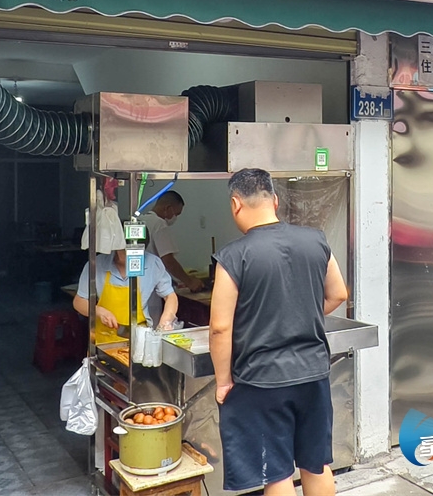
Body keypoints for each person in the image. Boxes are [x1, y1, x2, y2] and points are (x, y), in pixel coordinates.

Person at [209, 168, 348, 496]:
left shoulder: (233, 256)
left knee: (277, 473)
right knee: (316, 464)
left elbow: (220, 327)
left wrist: (223, 381)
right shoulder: (316, 240)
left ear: (235, 204)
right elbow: (338, 294)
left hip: (262, 380)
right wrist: (299, 312)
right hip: (313, 373)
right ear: (274, 200)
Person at [73, 209, 178, 344]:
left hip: (140, 338)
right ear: (117, 247)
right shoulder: (96, 265)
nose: (133, 259)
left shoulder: (153, 263)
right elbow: (79, 301)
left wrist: (166, 320)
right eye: (127, 253)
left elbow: (170, 296)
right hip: (104, 338)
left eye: (138, 254)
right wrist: (99, 311)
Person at [143, 190, 203, 292]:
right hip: (154, 287)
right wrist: (189, 282)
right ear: (168, 208)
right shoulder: (159, 224)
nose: (175, 218)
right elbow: (168, 261)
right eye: (176, 214)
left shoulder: (141, 220)